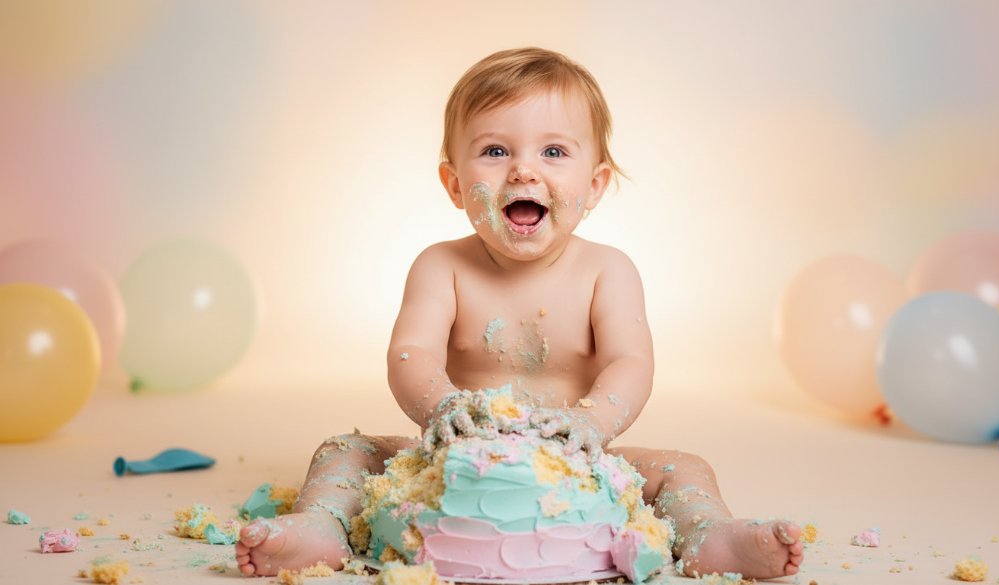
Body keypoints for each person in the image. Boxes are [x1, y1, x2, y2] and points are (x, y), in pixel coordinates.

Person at [235, 47, 803, 580]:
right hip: (456, 454)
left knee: (683, 467)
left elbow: (631, 363)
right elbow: (412, 353)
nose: (524, 171)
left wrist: (592, 422)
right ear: (455, 184)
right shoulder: (441, 267)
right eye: (495, 151)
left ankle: (710, 536)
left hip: (573, 456)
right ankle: (323, 525)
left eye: (553, 152)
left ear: (596, 184)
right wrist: (442, 407)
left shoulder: (608, 271)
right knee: (346, 450)